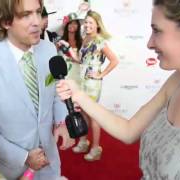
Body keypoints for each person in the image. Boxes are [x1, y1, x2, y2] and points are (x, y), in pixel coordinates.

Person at [56, 0, 180, 178]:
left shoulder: (100, 42)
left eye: (157, 30)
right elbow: (129, 130)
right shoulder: (177, 81)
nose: (149, 43)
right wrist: (77, 94)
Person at [0, 0, 74, 179]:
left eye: (38, 12)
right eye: (26, 15)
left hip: (50, 163)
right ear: (5, 22)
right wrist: (23, 157)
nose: (37, 21)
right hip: (11, 170)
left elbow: (56, 91)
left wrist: (62, 121)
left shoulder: (49, 50)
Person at [68, 10, 119, 161]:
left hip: (92, 84)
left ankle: (96, 148)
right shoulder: (85, 39)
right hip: (83, 82)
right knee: (83, 113)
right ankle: (84, 142)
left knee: (93, 115)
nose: (87, 25)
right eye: (86, 22)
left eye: (91, 22)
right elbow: (82, 60)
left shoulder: (100, 41)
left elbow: (114, 60)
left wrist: (100, 74)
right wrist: (71, 55)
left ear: (97, 25)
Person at [56, 12, 83, 86]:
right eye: (70, 23)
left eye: (75, 23)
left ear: (78, 25)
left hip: (77, 76)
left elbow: (82, 60)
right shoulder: (60, 41)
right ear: (66, 25)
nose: (72, 25)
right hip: (64, 77)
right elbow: (53, 56)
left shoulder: (82, 42)